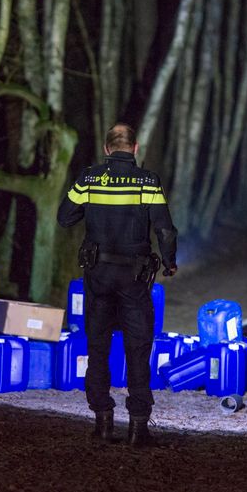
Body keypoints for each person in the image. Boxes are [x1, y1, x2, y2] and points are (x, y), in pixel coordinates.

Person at [57, 123, 178, 447]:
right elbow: (165, 230)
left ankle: (103, 422)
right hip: (134, 277)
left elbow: (65, 217)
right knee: (138, 348)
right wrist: (169, 262)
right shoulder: (147, 181)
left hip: (98, 275)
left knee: (97, 347)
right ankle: (138, 428)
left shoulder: (89, 178)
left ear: (107, 149)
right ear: (135, 148)